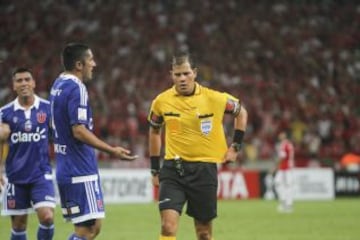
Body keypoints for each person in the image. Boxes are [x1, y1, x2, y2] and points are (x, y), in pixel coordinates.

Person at [148, 51, 248, 240]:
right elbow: (154, 132)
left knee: (203, 233)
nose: (182, 79)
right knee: (168, 227)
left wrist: (235, 147)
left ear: (195, 73)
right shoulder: (161, 102)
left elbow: (241, 112)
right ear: (171, 75)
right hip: (173, 170)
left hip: (204, 170)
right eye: (177, 74)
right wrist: (154, 170)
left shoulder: (214, 98)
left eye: (186, 73)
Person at [49, 43, 137, 240]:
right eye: (90, 60)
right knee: (87, 231)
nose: (94, 64)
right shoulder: (77, 88)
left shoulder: (58, 84)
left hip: (68, 166)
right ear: (79, 65)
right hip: (79, 168)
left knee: (93, 227)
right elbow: (79, 131)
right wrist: (111, 150)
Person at [0, 67, 56, 240]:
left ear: (34, 83)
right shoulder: (4, 113)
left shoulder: (48, 109)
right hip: (15, 177)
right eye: (19, 80)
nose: (23, 83)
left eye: (27, 79)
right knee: (18, 225)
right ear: (13, 86)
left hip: (41, 174)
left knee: (47, 217)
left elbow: (59, 138)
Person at [273, 130, 295, 213]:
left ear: (284, 136)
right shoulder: (288, 144)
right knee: (283, 185)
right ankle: (286, 203)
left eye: (281, 134)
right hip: (286, 168)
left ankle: (286, 204)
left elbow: (282, 157)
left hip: (285, 168)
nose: (280, 135)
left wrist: (275, 167)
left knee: (283, 185)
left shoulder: (284, 144)